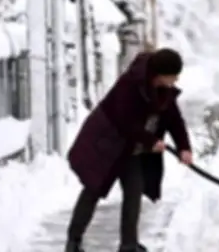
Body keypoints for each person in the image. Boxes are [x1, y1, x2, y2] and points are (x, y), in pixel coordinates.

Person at [65, 48, 193, 252]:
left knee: (134, 190)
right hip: (106, 144)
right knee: (92, 190)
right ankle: (73, 241)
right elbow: (124, 121)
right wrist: (150, 141)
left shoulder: (163, 91)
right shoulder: (131, 84)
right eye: (173, 75)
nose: (176, 79)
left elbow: (174, 120)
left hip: (129, 149)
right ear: (161, 74)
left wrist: (184, 147)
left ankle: (128, 244)